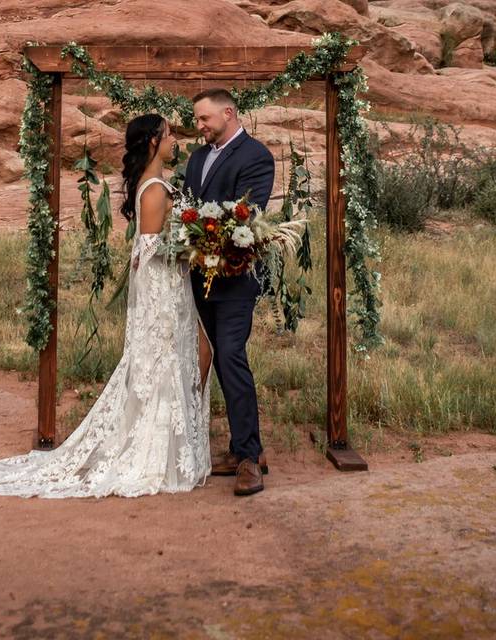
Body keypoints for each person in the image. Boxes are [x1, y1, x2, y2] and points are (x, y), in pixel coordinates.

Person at [0, 114, 213, 498]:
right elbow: (149, 247)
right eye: (168, 135)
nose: (174, 141)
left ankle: (174, 446)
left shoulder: (158, 184)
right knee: (166, 359)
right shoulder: (153, 189)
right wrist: (194, 246)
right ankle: (157, 454)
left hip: (172, 284)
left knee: (183, 355)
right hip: (163, 288)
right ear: (153, 142)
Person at [184, 88, 275, 496]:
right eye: (197, 120)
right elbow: (190, 205)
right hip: (198, 279)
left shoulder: (256, 155)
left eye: (204, 119)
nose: (199, 126)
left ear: (228, 112)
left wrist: (205, 232)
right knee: (219, 359)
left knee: (233, 355)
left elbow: (247, 212)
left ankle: (249, 460)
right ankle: (242, 447)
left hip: (235, 279)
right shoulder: (199, 157)